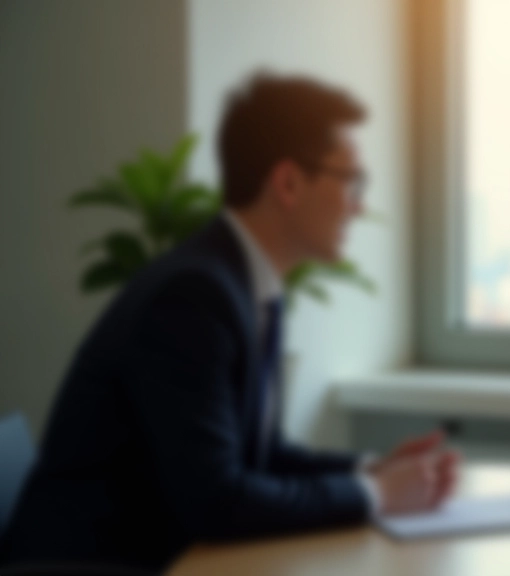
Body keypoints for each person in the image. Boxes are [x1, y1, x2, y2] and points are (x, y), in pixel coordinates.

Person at [1, 74, 458, 571]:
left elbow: (260, 453)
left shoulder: (243, 284)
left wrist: (370, 468)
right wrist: (375, 494)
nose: (359, 204)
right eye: (351, 182)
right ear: (287, 183)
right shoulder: (193, 295)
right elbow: (217, 501)